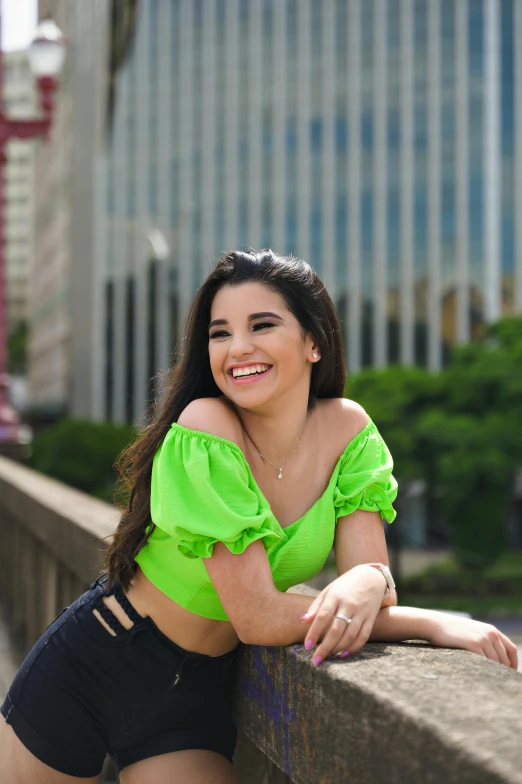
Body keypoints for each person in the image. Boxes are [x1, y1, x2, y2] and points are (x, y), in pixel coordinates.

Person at [0, 249, 518, 784]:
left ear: (314, 341)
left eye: (262, 325)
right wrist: (435, 622)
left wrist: (368, 577)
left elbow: (369, 592)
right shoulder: (206, 424)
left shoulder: (349, 432)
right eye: (220, 333)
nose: (238, 347)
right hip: (95, 663)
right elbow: (256, 616)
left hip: (195, 698)